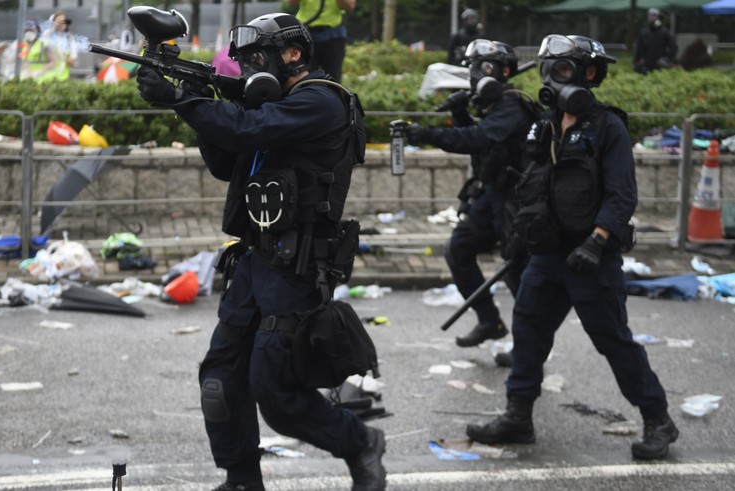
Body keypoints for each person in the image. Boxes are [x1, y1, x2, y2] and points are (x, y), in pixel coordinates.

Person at [136, 11, 385, 491]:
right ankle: (242, 480)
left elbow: (249, 130)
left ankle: (360, 442)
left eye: (257, 57)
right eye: (243, 60)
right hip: (253, 260)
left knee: (277, 392)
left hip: (297, 266)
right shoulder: (268, 105)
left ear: (293, 54)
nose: (248, 68)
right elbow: (228, 157)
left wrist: (185, 99)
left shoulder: (323, 101)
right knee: (220, 379)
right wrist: (195, 101)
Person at [466, 34, 679, 461]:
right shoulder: (543, 125)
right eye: (554, 69)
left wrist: (597, 243)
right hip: (545, 254)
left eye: (568, 70)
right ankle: (518, 417)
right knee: (527, 332)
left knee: (613, 340)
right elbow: (529, 183)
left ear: (590, 76)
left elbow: (622, 196)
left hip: (590, 257)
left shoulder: (607, 127)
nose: (559, 79)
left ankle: (658, 420)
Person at [405, 39, 536, 356]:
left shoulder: (513, 105)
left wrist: (428, 135)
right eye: (474, 67)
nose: (477, 74)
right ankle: (489, 321)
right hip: (492, 195)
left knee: (517, 272)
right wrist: (462, 113)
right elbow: (485, 151)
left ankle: (530, 350)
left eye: (485, 67)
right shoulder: (493, 106)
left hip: (516, 200)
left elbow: (479, 138)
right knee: (458, 248)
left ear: (504, 71)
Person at [288, 0, 355, 82]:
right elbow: (291, 3)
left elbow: (350, 6)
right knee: (303, 77)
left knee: (333, 78)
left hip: (333, 35)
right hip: (305, 34)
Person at [633, 8, 677, 74]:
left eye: (654, 15)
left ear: (658, 17)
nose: (651, 17)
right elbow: (638, 49)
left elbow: (673, 48)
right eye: (649, 15)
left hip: (660, 65)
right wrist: (637, 61)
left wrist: (666, 59)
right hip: (646, 65)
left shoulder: (665, 32)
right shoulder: (643, 32)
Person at [42, 11, 78, 81]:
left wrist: (61, 57)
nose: (61, 24)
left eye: (63, 21)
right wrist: (53, 26)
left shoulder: (70, 39)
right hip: (46, 78)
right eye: (58, 21)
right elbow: (42, 40)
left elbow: (73, 62)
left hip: (63, 79)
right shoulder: (48, 35)